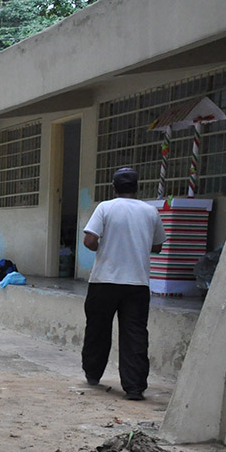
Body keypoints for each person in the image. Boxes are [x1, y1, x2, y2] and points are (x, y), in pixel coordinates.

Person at [80, 167, 165, 400]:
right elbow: (158, 246)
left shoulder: (105, 207)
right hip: (137, 283)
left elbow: (89, 240)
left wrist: (104, 247)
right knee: (135, 334)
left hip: (104, 281)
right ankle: (135, 387)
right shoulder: (150, 212)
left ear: (114, 187)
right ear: (137, 188)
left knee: (98, 329)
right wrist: (137, 243)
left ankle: (93, 374)